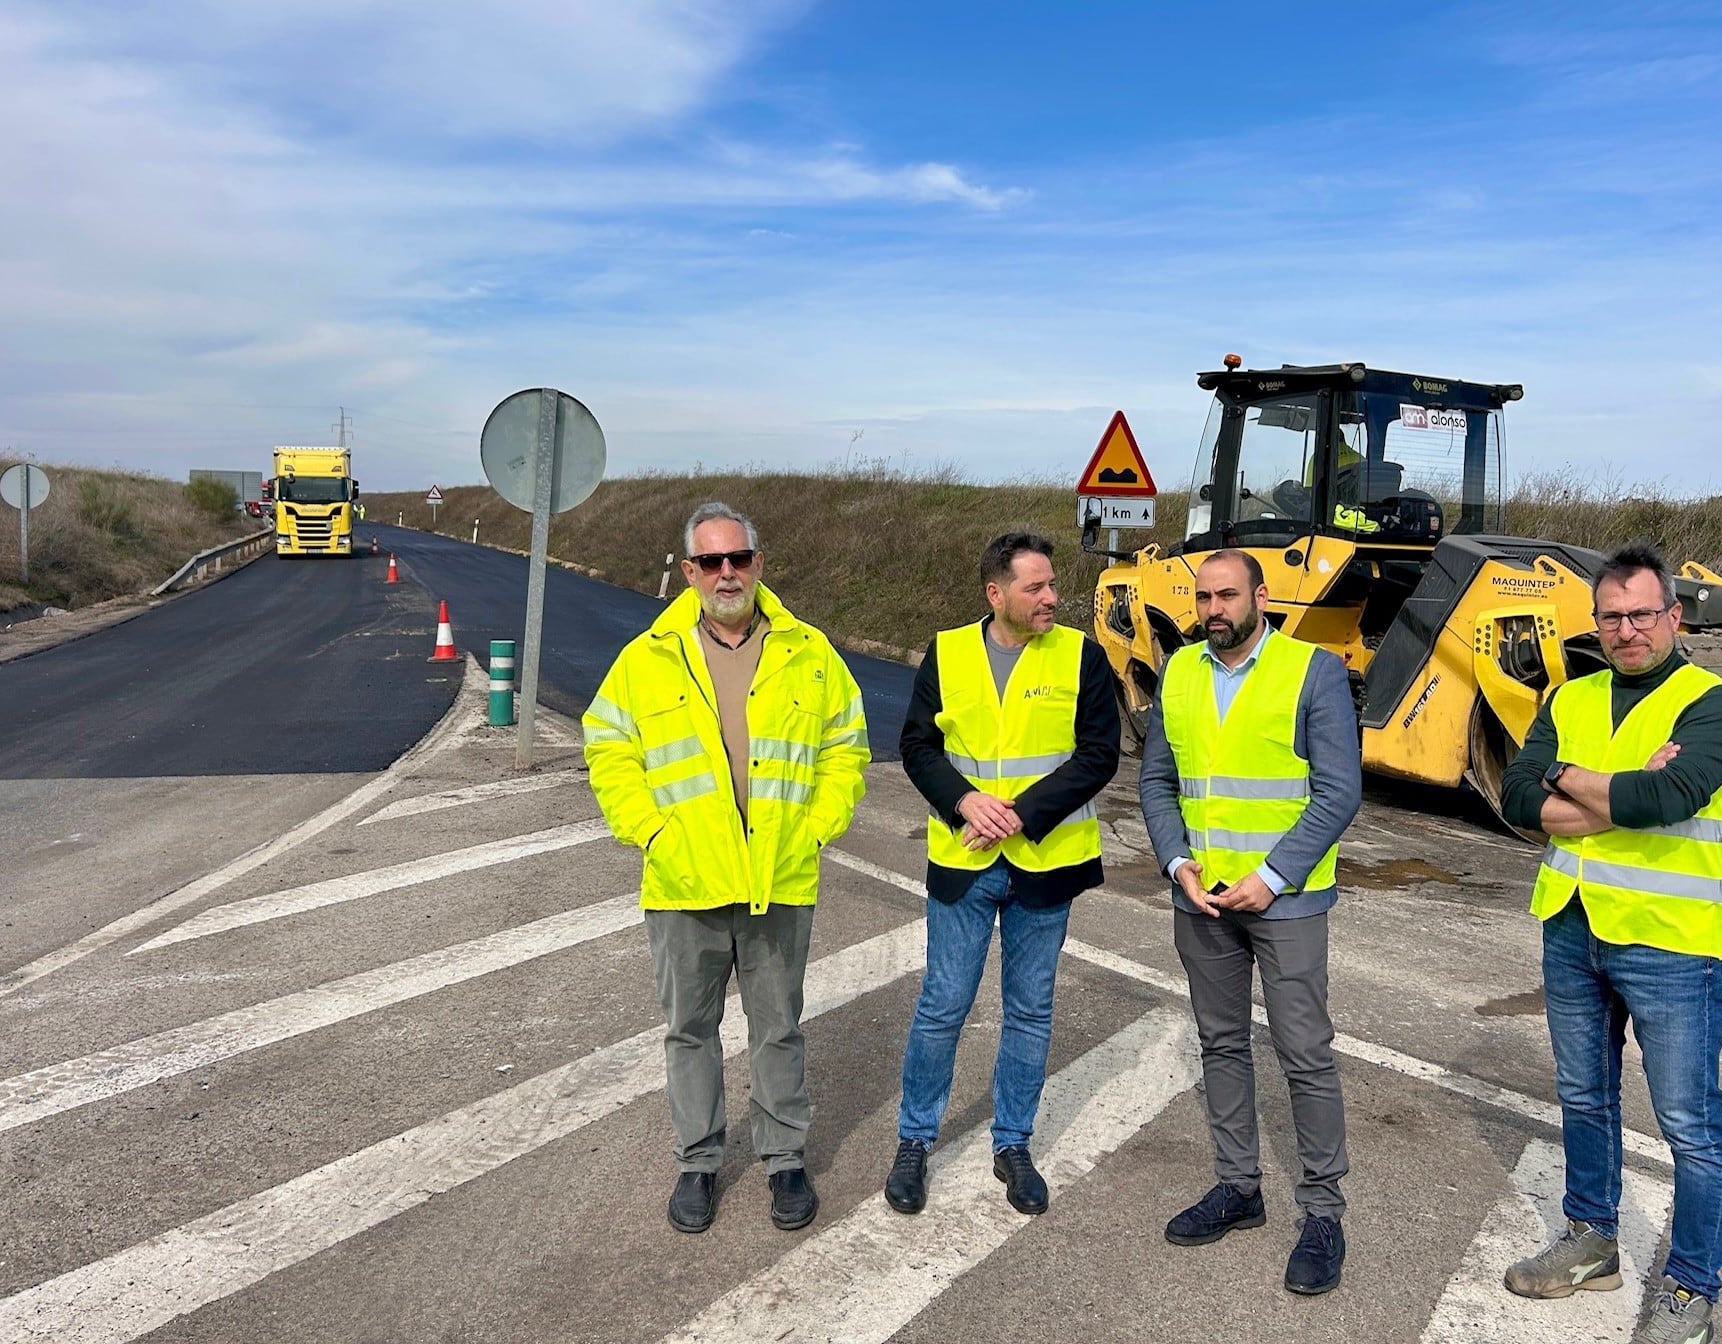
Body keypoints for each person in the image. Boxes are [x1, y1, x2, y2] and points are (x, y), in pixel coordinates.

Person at [1499, 543, 1722, 1344]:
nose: (1626, 629)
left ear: (1673, 617)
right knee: (1583, 1098)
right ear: (1596, 624)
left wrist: (1567, 779)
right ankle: (1590, 1242)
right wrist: (1615, 788)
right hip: (1571, 926)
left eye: (1641, 613)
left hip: (1668, 944)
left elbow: (1669, 795)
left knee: (1689, 1125)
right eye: (1610, 616)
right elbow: (1513, 797)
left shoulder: (1716, 706)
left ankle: (1688, 1290)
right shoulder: (1569, 699)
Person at [583, 501, 869, 1235]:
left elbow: (846, 746)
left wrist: (815, 826)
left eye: (738, 558)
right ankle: (699, 1161)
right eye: (710, 562)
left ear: (759, 563)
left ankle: (783, 1160)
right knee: (690, 1029)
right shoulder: (648, 654)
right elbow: (608, 746)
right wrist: (649, 831)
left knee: (778, 1029)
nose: (726, 573)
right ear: (688, 571)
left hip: (779, 874)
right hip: (683, 880)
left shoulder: (808, 650)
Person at [1139, 548, 1360, 1296]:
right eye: (1202, 597)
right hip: (1200, 899)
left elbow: (1338, 792)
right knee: (1221, 1044)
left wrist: (1271, 877)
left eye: (1226, 595)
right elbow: (1157, 781)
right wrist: (1175, 863)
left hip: (1284, 901)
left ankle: (1323, 1214)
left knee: (1304, 1054)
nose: (1213, 610)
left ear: (1260, 596)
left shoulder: (1311, 671)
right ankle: (1238, 1189)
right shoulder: (1178, 671)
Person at [884, 531, 1119, 1218]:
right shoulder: (949, 650)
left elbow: (1098, 754)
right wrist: (962, 799)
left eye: (1051, 586)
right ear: (996, 592)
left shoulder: (1081, 656)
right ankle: (913, 1140)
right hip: (963, 862)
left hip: (1044, 864)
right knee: (942, 1006)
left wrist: (1020, 812)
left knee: (1029, 1011)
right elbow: (916, 744)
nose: (1051, 598)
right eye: (1035, 587)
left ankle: (1013, 1143)